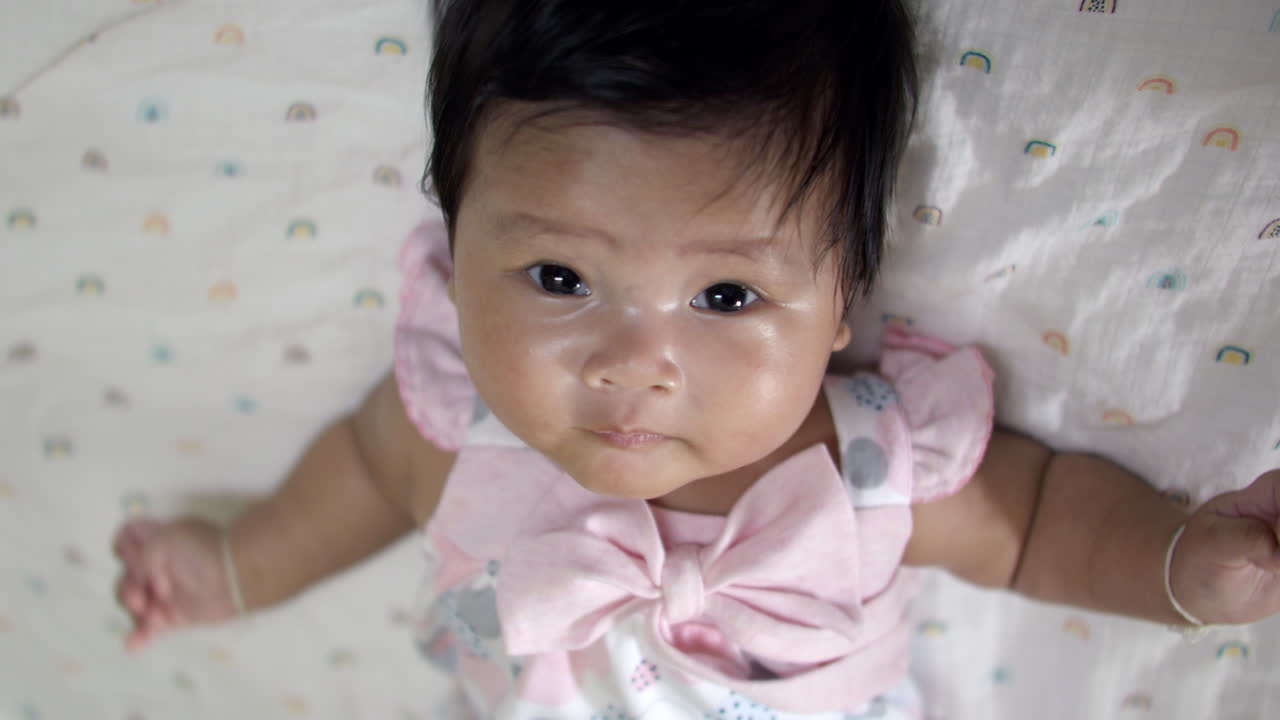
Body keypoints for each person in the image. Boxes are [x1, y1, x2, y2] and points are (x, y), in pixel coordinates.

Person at [113, 1, 1280, 717]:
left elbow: (1037, 532)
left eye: (724, 295)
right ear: (454, 250)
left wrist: (1185, 567)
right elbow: (354, 486)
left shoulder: (864, 469)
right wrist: (234, 566)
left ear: (838, 304)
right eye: (560, 279)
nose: (636, 363)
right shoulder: (446, 419)